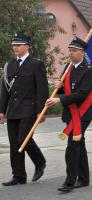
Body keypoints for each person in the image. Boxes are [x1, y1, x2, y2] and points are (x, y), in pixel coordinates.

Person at [46, 37, 92, 192]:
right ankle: (84, 178)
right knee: (79, 144)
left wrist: (58, 100)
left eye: (74, 51)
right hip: (70, 113)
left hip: (82, 114)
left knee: (72, 146)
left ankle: (70, 182)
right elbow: (67, 90)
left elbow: (81, 94)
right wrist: (59, 87)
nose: (71, 53)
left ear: (82, 52)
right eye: (70, 51)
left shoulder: (88, 71)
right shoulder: (68, 68)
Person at [0, 33, 48, 186]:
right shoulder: (10, 65)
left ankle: (40, 162)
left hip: (29, 109)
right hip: (13, 110)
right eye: (14, 45)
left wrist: (41, 111)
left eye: (18, 45)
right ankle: (19, 176)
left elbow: (42, 90)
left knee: (23, 139)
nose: (15, 48)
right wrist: (1, 110)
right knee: (14, 143)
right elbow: (4, 90)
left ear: (27, 46)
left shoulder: (36, 64)